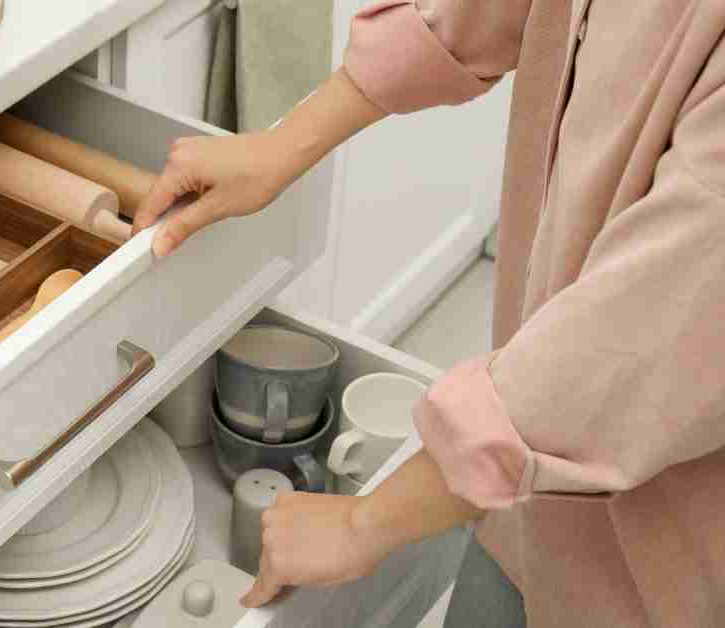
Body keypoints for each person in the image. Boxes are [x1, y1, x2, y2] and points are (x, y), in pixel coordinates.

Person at [130, 2, 725, 627]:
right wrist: (278, 146)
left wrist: (365, 524)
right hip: (515, 507)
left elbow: (633, 339)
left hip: (647, 566)